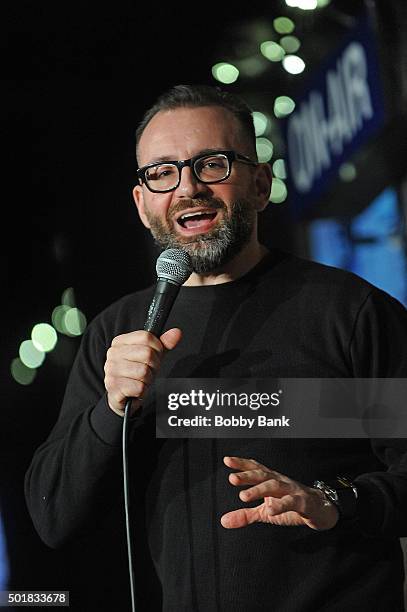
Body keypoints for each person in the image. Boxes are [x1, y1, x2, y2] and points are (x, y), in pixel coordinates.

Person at [25, 84, 407, 612]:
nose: (188, 188)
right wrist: (110, 411)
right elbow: (53, 514)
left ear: (259, 184)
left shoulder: (347, 311)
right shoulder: (119, 333)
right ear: (142, 203)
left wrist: (333, 500)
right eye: (162, 172)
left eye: (212, 164)